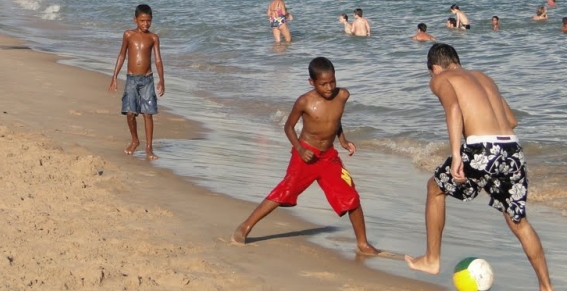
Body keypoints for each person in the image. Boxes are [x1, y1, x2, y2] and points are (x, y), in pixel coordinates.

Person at [406, 44, 553, 291]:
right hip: (512, 150)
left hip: (482, 148)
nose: (433, 78)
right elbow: (512, 121)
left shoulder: (442, 78)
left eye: (432, 73)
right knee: (518, 220)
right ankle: (546, 286)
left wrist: (456, 155)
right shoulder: (485, 78)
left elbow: (453, 109)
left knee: (435, 188)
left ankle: (432, 259)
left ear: (435, 67)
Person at [232, 57, 379, 255]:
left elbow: (335, 121)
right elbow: (289, 127)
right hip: (305, 155)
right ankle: (245, 226)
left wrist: (343, 141)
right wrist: (300, 149)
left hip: (329, 158)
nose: (329, 88)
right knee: (284, 190)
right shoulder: (304, 102)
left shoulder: (343, 95)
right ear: (312, 82)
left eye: (332, 82)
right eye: (323, 84)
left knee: (351, 196)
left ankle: (362, 243)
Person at [108, 4, 165, 161]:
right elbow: (121, 56)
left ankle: (149, 147)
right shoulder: (128, 35)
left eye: (148, 21)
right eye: (142, 21)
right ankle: (135, 140)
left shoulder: (153, 38)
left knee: (148, 113)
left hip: (147, 79)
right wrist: (114, 77)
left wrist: (162, 80)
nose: (145, 24)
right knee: (130, 113)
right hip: (132, 79)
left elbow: (158, 60)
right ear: (135, 20)